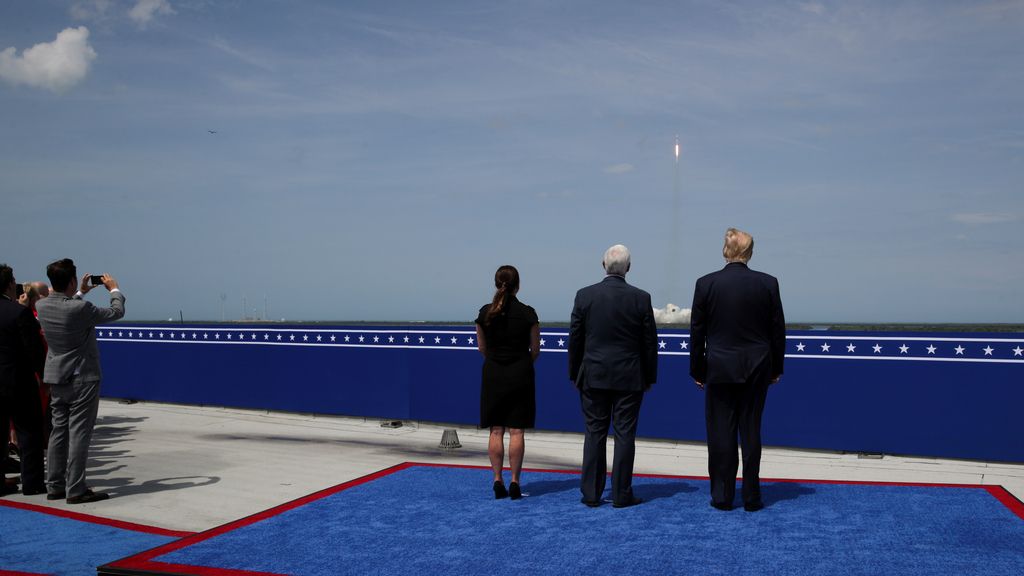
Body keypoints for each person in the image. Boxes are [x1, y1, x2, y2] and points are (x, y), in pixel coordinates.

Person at [689, 228, 785, 512]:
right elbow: (777, 331)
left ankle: (722, 494)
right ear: (749, 252)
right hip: (757, 365)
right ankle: (752, 496)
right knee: (751, 430)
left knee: (721, 432)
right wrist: (776, 368)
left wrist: (697, 370)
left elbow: (698, 333)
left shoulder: (706, 284)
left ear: (725, 251)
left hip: (719, 366)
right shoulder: (768, 283)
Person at [568, 244, 658, 508]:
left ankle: (592, 493)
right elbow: (649, 342)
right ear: (628, 268)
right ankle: (621, 493)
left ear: (603, 264)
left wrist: (574, 373)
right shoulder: (641, 298)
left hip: (593, 375)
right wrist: (649, 377)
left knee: (594, 432)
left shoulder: (585, 296)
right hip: (630, 377)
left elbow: (576, 338)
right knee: (624, 434)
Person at [35, 259, 125, 504]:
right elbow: (116, 312)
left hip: (57, 377)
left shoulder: (41, 305)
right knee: (79, 434)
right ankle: (76, 488)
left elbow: (65, 306)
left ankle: (55, 485)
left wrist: (80, 292)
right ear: (72, 280)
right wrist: (114, 290)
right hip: (82, 377)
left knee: (58, 433)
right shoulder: (80, 310)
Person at [475, 265, 540, 500]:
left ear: (496, 284)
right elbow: (535, 349)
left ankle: (497, 479)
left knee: (496, 430)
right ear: (518, 285)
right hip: (520, 373)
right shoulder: (528, 313)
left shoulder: (484, 313)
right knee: (516, 430)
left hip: (493, 373)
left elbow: (482, 348)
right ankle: (514, 481)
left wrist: (496, 360)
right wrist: (521, 361)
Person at [0, 264, 47, 496]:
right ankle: (33, 483)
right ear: (9, 284)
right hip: (19, 382)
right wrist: (43, 376)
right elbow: (35, 351)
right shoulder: (18, 313)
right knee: (29, 434)